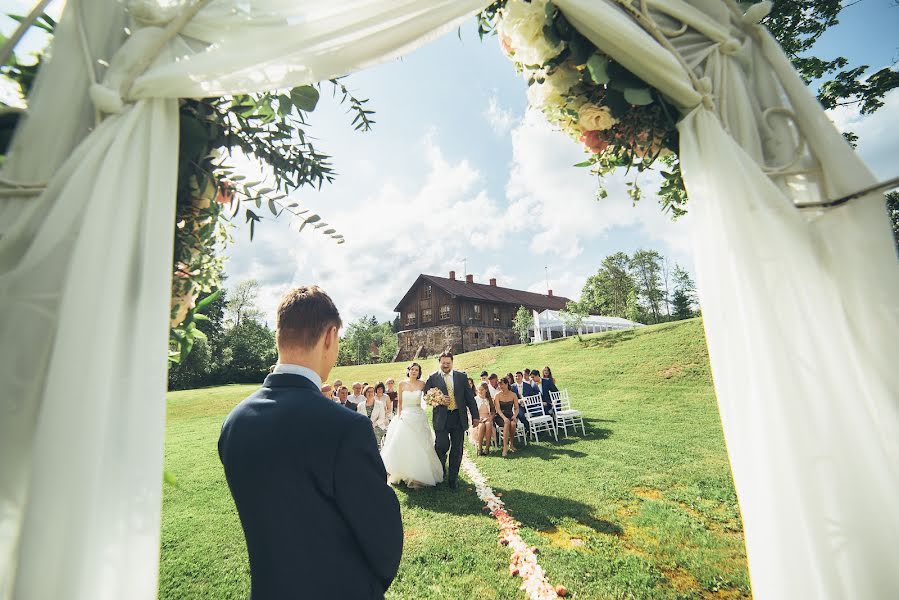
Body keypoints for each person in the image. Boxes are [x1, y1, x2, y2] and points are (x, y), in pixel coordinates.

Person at [218, 285, 402, 599]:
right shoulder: (347, 429)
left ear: (279, 335)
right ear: (329, 336)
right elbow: (383, 541)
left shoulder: (234, 423)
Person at [380, 362, 444, 488]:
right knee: (403, 444)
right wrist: (399, 416)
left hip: (418, 415)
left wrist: (434, 398)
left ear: (419, 372)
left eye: (417, 370)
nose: (414, 371)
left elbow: (427, 397)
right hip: (405, 416)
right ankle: (402, 471)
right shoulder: (401, 384)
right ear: (408, 371)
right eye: (412, 369)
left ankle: (418, 475)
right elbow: (400, 403)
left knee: (419, 445)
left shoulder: (422, 384)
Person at [423, 352, 479, 489]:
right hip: (441, 418)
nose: (446, 365)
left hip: (458, 418)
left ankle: (453, 479)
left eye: (448, 363)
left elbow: (469, 398)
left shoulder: (461, 377)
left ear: (452, 363)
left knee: (457, 449)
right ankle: (440, 473)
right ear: (439, 362)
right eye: (443, 363)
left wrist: (475, 416)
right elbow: (427, 397)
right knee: (441, 445)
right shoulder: (433, 378)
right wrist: (440, 400)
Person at [492, 377, 519, 457]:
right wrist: (504, 418)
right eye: (499, 385)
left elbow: (517, 408)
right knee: (506, 423)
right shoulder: (497, 395)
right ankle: (505, 447)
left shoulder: (513, 395)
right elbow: (498, 409)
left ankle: (511, 443)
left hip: (510, 414)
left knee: (513, 424)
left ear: (507, 384)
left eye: (502, 384)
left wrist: (514, 415)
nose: (500, 387)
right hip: (500, 416)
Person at [469, 383, 495, 456]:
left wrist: (490, 417)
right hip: (478, 419)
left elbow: (493, 411)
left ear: (486, 390)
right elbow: (470, 412)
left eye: (482, 390)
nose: (480, 391)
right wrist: (478, 419)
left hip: (487, 418)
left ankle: (487, 448)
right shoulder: (475, 399)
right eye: (478, 390)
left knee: (488, 424)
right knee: (482, 426)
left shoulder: (489, 400)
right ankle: (480, 447)